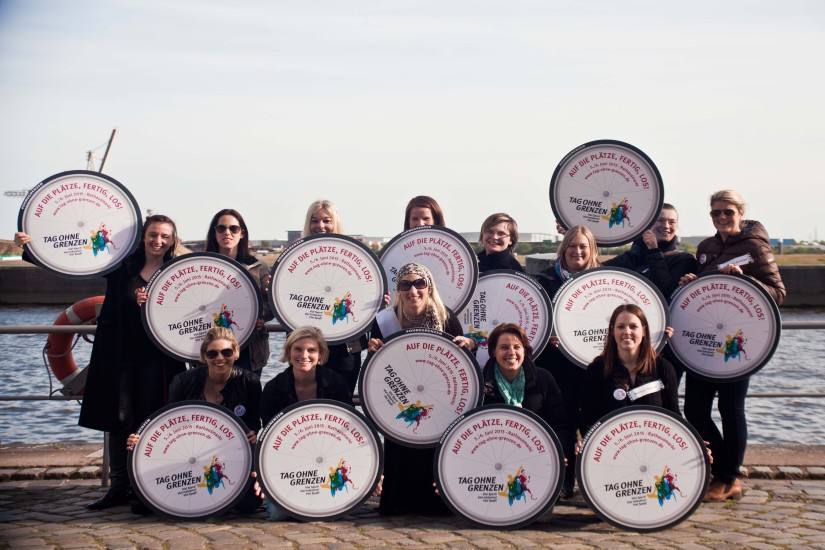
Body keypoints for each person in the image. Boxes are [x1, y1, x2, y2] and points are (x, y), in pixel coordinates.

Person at [16, 215, 187, 510]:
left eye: (164, 236)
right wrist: (30, 249)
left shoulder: (177, 270)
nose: (158, 241)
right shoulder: (121, 265)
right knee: (118, 421)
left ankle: (146, 488)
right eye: (153, 234)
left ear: (172, 240)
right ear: (143, 236)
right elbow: (73, 262)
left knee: (150, 420)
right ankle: (119, 487)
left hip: (158, 359)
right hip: (119, 355)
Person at [680, 190, 786, 502]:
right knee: (695, 409)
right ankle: (726, 468)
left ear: (740, 212)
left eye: (728, 212)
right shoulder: (706, 247)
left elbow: (779, 293)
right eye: (716, 213)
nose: (722, 218)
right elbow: (705, 287)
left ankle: (729, 478)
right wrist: (691, 280)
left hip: (738, 345)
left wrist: (748, 280)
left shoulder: (755, 247)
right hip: (706, 341)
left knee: (730, 410)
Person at [367, 262, 477, 517]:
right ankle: (399, 503)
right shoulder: (385, 320)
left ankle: (435, 502)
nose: (412, 290)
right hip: (400, 393)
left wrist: (469, 343)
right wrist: (371, 348)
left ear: (429, 287)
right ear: (398, 289)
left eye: (419, 283)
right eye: (405, 284)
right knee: (401, 442)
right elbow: (377, 366)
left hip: (438, 394)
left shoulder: (445, 317)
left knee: (432, 446)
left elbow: (465, 352)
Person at [127, 327, 263, 514]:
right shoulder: (183, 381)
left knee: (248, 505)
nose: (220, 358)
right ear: (203, 356)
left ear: (236, 353)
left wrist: (253, 433)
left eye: (226, 352)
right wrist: (141, 439)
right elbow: (167, 424)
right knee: (145, 503)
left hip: (232, 454)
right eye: (212, 353)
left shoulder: (250, 381)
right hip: (188, 451)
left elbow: (255, 421)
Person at [534, 225, 601, 497]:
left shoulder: (601, 280)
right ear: (563, 249)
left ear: (591, 250)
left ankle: (593, 483)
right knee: (559, 420)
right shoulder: (545, 280)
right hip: (556, 363)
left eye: (583, 246)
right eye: (572, 246)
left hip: (591, 365)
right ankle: (561, 482)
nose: (577, 251)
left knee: (590, 423)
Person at [259, 326, 352, 520]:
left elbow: (350, 431)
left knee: (335, 513)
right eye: (298, 349)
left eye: (311, 350)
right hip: (288, 463)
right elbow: (270, 438)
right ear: (288, 353)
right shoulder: (273, 388)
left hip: (328, 460)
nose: (304, 355)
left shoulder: (336, 383)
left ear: (321, 355)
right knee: (280, 516)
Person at [579, 304, 680, 434]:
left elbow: (674, 416)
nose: (627, 332)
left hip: (654, 448)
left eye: (633, 326)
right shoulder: (597, 369)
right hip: (611, 449)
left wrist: (694, 444)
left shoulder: (663, 367)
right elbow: (588, 417)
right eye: (621, 326)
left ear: (643, 331)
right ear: (612, 331)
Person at [299, 200, 366, 393]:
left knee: (342, 404)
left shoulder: (353, 257)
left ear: (335, 223)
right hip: (308, 347)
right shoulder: (296, 259)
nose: (320, 226)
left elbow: (362, 294)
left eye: (326, 220)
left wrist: (376, 301)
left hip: (346, 348)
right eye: (315, 221)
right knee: (309, 402)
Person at [205, 209, 274, 372]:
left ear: (242, 233)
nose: (227, 233)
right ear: (214, 233)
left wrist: (260, 316)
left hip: (250, 350)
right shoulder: (201, 266)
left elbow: (271, 303)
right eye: (221, 228)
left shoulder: (258, 267)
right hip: (211, 348)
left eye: (233, 229)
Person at [482, 323, 566, 440]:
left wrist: (559, 451)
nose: (511, 352)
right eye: (504, 347)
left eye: (517, 347)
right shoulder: (480, 384)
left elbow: (559, 424)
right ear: (493, 352)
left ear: (524, 351)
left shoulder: (543, 378)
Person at [602, 204, 697, 297]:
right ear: (648, 223)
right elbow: (599, 270)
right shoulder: (635, 255)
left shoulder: (684, 259)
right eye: (660, 220)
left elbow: (667, 291)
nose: (666, 226)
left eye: (672, 222)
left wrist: (654, 250)